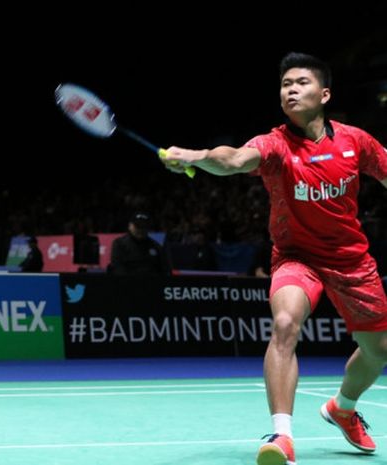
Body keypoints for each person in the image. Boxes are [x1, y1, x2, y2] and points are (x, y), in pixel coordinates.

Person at [161, 52, 387, 465]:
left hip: (351, 261)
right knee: (285, 323)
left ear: (325, 93)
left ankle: (343, 407)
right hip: (295, 257)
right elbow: (233, 159)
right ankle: (281, 435)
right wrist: (194, 156)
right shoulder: (275, 144)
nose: (291, 90)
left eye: (301, 82)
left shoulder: (356, 141)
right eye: (285, 85)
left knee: (379, 350)